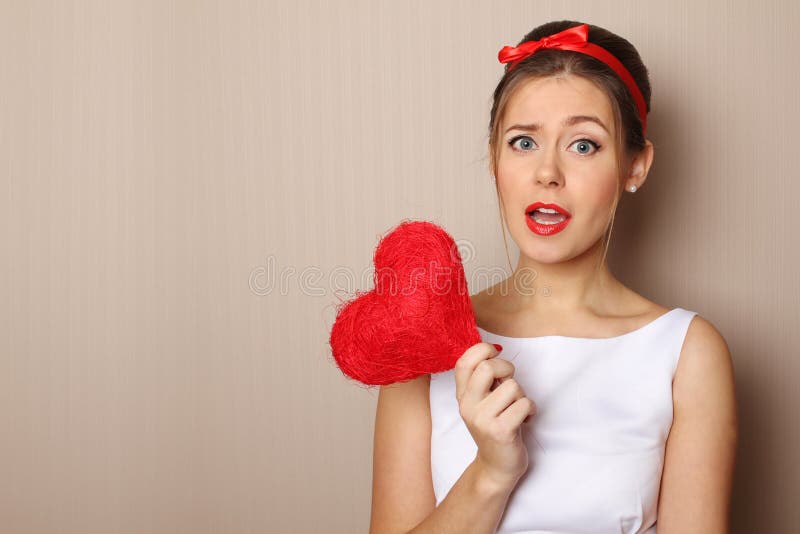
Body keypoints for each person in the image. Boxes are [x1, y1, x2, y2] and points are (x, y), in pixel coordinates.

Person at [369, 20, 737, 534]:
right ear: (494, 157)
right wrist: (492, 474)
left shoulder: (688, 352)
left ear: (636, 166)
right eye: (523, 142)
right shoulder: (423, 339)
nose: (548, 173)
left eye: (583, 145)